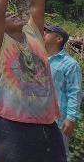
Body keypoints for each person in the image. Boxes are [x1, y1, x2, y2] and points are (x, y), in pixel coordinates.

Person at [0, 0, 65, 162]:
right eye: (9, 16)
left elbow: (38, 6)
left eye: (14, 13)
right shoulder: (0, 44)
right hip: (11, 123)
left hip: (46, 122)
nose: (13, 14)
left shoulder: (33, 35)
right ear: (0, 28)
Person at [45, 24, 82, 155]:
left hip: (58, 121)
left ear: (58, 38)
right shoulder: (40, 58)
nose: (43, 32)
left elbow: (75, 92)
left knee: (57, 154)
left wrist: (71, 118)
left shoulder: (70, 64)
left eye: (48, 31)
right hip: (37, 117)